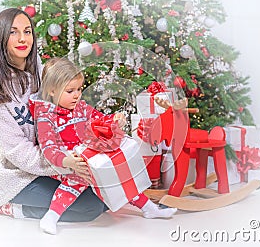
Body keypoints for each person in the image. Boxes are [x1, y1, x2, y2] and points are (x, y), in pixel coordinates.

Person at [0, 8, 107, 222]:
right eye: (13, 32)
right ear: (0, 37)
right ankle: (7, 206)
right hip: (13, 173)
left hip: (50, 159)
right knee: (91, 206)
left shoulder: (38, 71)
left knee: (105, 196)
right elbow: (17, 150)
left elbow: (64, 110)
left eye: (27, 31)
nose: (23, 39)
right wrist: (63, 163)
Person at [30, 57, 177, 235]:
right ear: (52, 91)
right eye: (70, 91)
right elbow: (48, 148)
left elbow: (99, 119)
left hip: (89, 155)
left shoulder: (80, 107)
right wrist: (67, 161)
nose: (76, 95)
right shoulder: (46, 116)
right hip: (66, 163)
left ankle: (148, 208)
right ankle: (52, 216)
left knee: (118, 172)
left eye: (79, 89)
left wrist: (113, 120)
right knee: (80, 177)